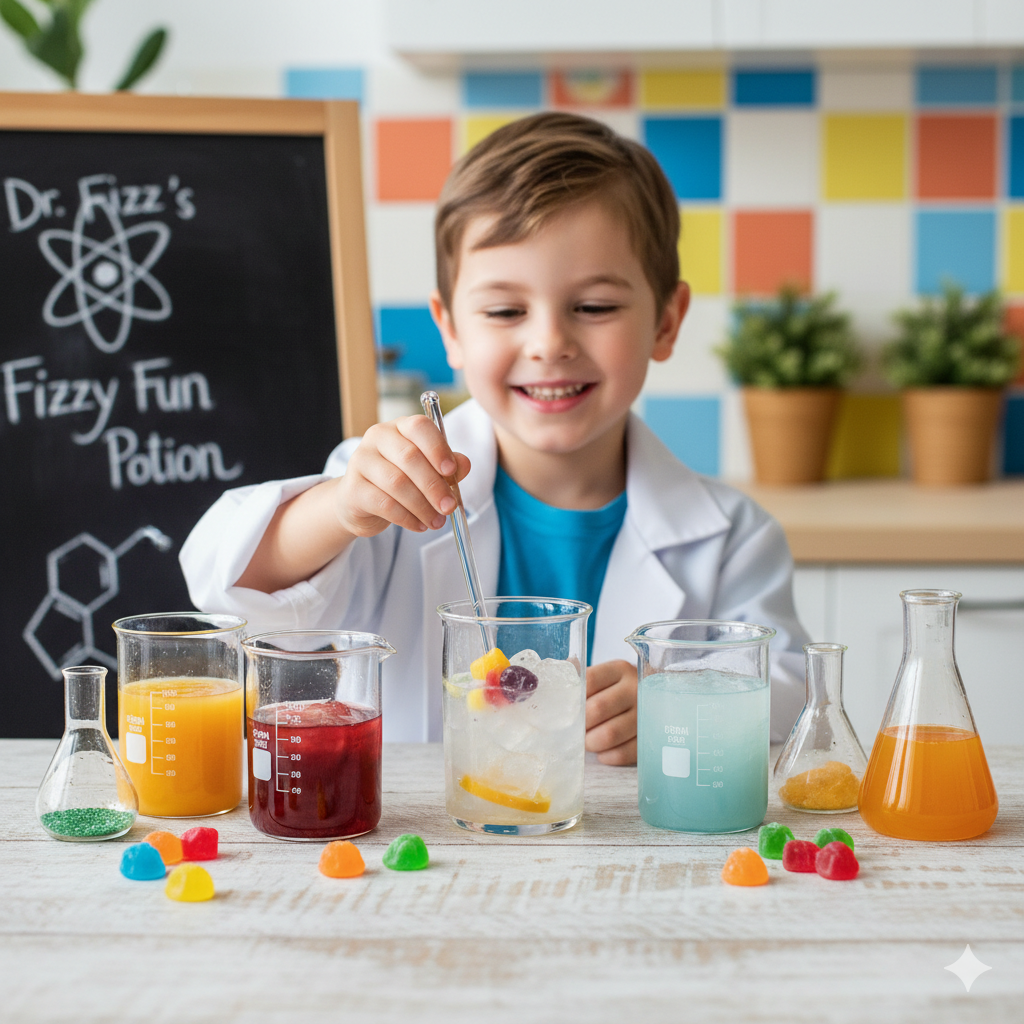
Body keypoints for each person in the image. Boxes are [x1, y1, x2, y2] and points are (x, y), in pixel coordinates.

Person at [181, 111, 809, 762]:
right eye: (506, 311)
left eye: (594, 307)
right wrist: (340, 507)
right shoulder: (384, 500)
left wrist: (682, 707)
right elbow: (229, 582)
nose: (549, 344)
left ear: (666, 322)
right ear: (450, 328)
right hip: (429, 857)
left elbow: (790, 700)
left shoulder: (734, 538)